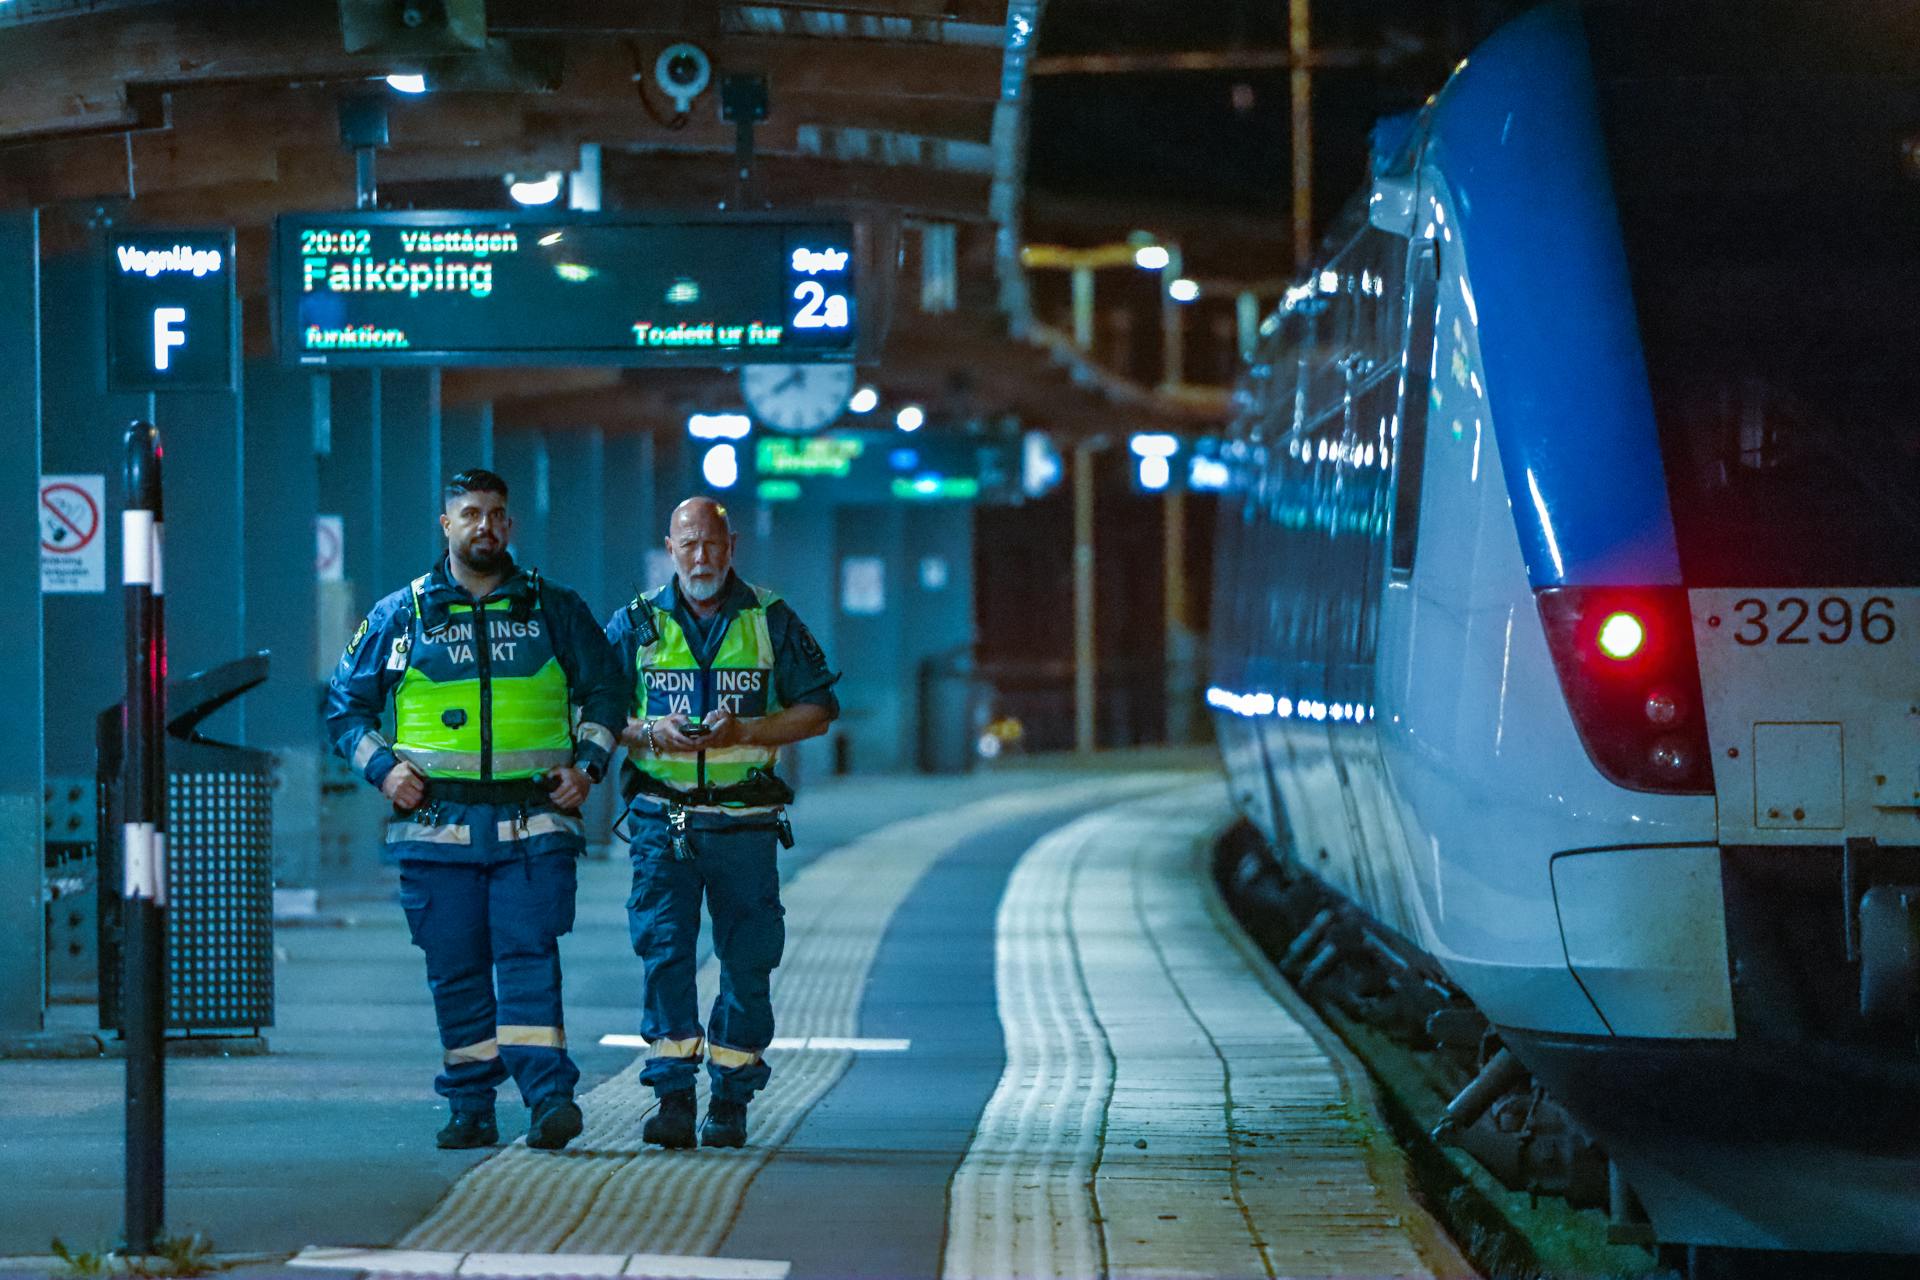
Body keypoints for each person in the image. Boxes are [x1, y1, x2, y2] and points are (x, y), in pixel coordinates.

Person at [326, 468, 626, 1152]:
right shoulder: (399, 615)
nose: (484, 525)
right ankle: (471, 1105)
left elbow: (608, 691)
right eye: (470, 513)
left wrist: (588, 768)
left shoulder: (555, 610)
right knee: (455, 972)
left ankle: (549, 1098)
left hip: (532, 825)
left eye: (495, 513)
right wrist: (384, 770)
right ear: (447, 524)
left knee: (528, 960)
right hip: (436, 829)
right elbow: (345, 708)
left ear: (509, 525)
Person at [605, 497, 839, 1149]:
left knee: (748, 961)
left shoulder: (770, 619)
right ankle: (674, 1097)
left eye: (711, 544)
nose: (701, 557)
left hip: (745, 822)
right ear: (669, 547)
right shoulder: (637, 623)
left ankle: (731, 1099)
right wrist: (650, 730)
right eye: (688, 544)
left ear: (731, 545)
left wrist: (751, 729)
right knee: (664, 955)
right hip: (662, 821)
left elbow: (819, 707)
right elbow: (592, 710)